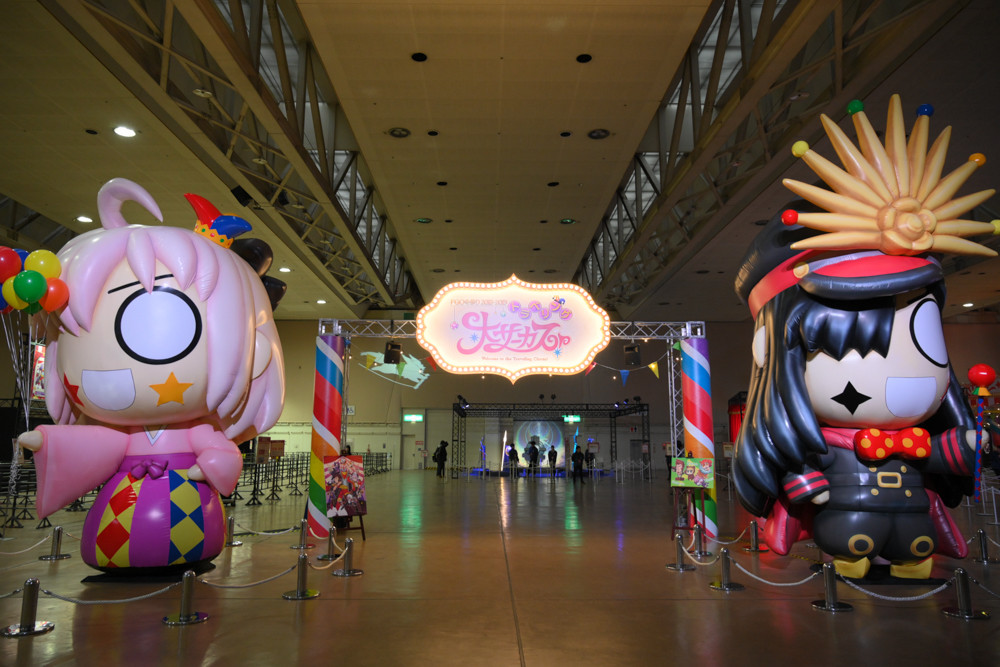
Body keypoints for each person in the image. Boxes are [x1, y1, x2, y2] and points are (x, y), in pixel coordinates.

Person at [17, 178, 285, 573]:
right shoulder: (120, 435)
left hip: (187, 502)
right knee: (113, 538)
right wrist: (47, 440)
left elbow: (222, 453)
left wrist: (211, 465)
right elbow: (97, 445)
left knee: (181, 536)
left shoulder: (193, 431)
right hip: (123, 500)